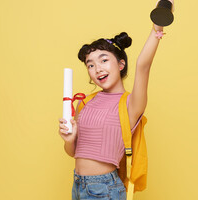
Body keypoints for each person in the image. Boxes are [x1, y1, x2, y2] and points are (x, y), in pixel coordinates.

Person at [58, 23, 164, 199]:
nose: (97, 68)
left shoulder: (130, 104)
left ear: (121, 64)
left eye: (104, 60)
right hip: (78, 185)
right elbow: (74, 152)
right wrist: (69, 140)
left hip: (104, 189)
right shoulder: (85, 103)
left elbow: (143, 65)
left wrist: (157, 27)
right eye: (90, 65)